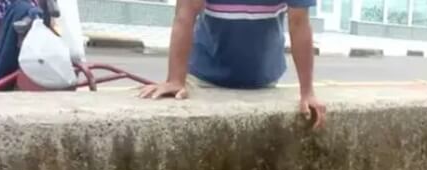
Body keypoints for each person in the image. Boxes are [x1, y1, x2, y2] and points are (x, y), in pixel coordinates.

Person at [138, 0, 326, 129]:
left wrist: (307, 92)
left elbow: (299, 23)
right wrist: (175, 80)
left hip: (263, 79)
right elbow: (184, 15)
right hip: (204, 78)